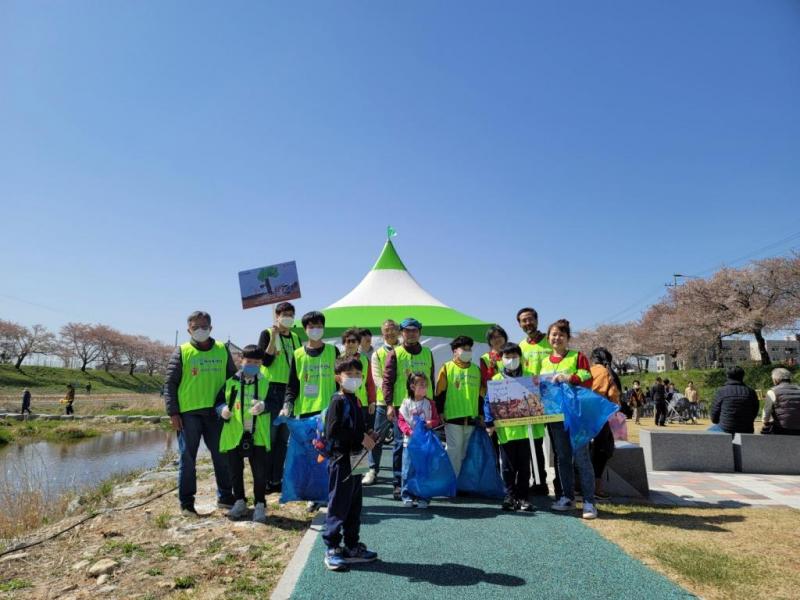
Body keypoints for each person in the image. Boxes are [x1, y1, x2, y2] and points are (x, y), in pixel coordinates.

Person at [164, 311, 236, 516]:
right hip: (189, 415)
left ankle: (225, 496)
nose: (200, 330)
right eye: (195, 327)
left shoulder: (223, 349)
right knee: (188, 459)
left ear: (211, 328)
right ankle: (187, 502)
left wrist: (233, 407)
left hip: (217, 413)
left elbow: (233, 379)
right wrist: (173, 412)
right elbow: (170, 383)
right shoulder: (182, 351)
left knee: (222, 456)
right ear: (189, 330)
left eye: (204, 326)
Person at [322, 356, 379, 572]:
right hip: (341, 460)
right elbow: (332, 431)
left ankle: (352, 545)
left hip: (358, 459)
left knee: (355, 505)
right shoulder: (337, 400)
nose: (355, 378)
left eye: (358, 375)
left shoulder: (355, 399)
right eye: (349, 375)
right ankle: (332, 548)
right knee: (338, 504)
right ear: (338, 377)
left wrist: (368, 435)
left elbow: (355, 429)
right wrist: (359, 438)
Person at [539, 319, 598, 519]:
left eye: (561, 335)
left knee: (581, 458)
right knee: (562, 458)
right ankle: (567, 497)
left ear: (567, 338)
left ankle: (589, 501)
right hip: (554, 415)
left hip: (575, 415)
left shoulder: (577, 356)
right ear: (548, 339)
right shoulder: (545, 361)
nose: (557, 338)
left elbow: (586, 376)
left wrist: (569, 377)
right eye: (554, 335)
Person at [382, 318, 436, 500]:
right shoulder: (395, 353)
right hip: (402, 408)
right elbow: (387, 381)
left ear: (419, 332)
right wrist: (389, 404)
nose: (411, 333)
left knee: (422, 446)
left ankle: (420, 482)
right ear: (401, 333)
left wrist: (434, 407)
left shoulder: (428, 353)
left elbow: (432, 381)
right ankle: (399, 483)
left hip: (424, 407)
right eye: (407, 330)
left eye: (414, 330)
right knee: (400, 445)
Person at [216, 345, 270, 524]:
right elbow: (218, 401)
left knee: (260, 473)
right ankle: (239, 501)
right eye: (249, 361)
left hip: (258, 434)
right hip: (234, 434)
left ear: (261, 363)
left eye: (256, 362)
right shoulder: (230, 382)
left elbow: (275, 402)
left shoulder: (266, 381)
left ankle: (260, 504)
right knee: (235, 471)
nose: (252, 365)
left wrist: (264, 406)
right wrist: (222, 409)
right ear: (241, 361)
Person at [484, 343, 537, 512]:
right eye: (507, 357)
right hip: (505, 431)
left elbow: (539, 398)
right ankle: (509, 496)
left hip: (526, 430)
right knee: (507, 467)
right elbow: (488, 402)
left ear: (520, 358)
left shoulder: (530, 377)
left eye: (514, 356)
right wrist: (489, 421)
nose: (511, 360)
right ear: (501, 359)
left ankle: (523, 498)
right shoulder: (497, 380)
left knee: (524, 466)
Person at [258, 301, 301, 492]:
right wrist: (273, 338)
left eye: (291, 314)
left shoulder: (295, 338)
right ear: (276, 315)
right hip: (271, 390)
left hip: (290, 391)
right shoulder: (268, 333)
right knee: (270, 437)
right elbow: (265, 362)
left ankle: (277, 479)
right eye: (284, 313)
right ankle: (265, 479)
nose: (288, 317)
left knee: (284, 439)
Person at [434, 335, 485, 478]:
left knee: (465, 453)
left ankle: (462, 483)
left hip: (472, 418)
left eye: (469, 349)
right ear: (455, 351)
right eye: (464, 349)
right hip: (452, 418)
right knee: (453, 451)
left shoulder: (476, 370)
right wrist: (440, 412)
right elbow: (440, 392)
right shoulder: (447, 368)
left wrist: (481, 415)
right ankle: (450, 482)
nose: (467, 351)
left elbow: (481, 395)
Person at [516, 307, 552, 495]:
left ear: (537, 320)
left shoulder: (550, 342)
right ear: (520, 324)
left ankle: (562, 486)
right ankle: (539, 482)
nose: (527, 323)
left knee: (557, 443)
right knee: (534, 442)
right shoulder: (521, 346)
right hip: (531, 401)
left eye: (530, 319)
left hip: (552, 400)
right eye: (523, 321)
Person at [283, 311, 340, 419]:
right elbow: (292, 385)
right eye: (311, 327)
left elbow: (341, 379)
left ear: (323, 328)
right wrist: (287, 405)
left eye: (319, 326)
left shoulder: (333, 350)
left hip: (330, 409)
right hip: (306, 411)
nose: (315, 330)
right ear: (305, 329)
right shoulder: (297, 354)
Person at [397, 372, 441, 508]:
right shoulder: (406, 403)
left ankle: (424, 497)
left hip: (425, 444)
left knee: (424, 470)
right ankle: (407, 496)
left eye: (425, 385)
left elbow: (436, 419)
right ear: (412, 386)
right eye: (421, 385)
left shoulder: (429, 403)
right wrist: (408, 431)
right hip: (409, 443)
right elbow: (401, 420)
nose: (424, 387)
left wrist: (430, 423)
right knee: (407, 470)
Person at [364, 319, 400, 486]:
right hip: (383, 403)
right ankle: (372, 470)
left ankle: (400, 474)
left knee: (401, 441)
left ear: (399, 331)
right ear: (382, 333)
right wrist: (389, 397)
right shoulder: (377, 354)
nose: (390, 333)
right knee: (377, 438)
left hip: (402, 403)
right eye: (386, 330)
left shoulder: (404, 350)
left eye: (393, 329)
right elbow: (377, 379)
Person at [588, 347, 621, 500]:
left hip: (583, 416)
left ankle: (578, 486)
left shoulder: (586, 370)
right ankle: (597, 487)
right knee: (602, 450)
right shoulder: (607, 373)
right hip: (600, 416)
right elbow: (613, 395)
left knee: (584, 451)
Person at [340, 328, 377, 421]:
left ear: (358, 343)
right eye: (348, 341)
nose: (351, 344)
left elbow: (370, 382)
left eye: (354, 341)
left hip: (362, 404)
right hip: (343, 402)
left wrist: (372, 401)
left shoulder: (365, 360)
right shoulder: (338, 359)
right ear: (344, 343)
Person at [710, 366, 759, 434]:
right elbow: (754, 412)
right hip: (747, 429)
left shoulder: (721, 391)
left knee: (709, 432)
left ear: (727, 377)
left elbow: (714, 418)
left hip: (726, 428)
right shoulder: (751, 392)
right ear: (742, 376)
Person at [761, 368, 800, 435]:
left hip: (782, 428)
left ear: (776, 380)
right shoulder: (799, 389)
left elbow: (766, 412)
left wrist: (765, 422)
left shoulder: (772, 391)